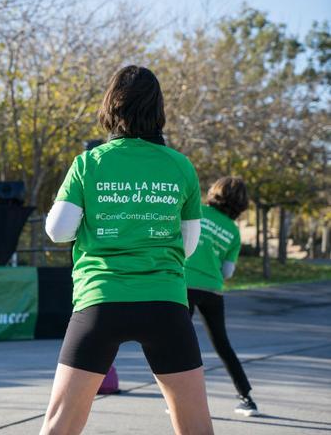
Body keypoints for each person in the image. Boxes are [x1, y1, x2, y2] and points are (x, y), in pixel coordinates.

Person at [42, 65, 214, 435]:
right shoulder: (181, 167)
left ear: (111, 105)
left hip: (99, 300)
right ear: (158, 109)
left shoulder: (89, 163)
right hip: (165, 303)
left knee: (60, 426)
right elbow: (188, 244)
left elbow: (58, 231)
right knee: (196, 427)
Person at [184, 177, 257, 416]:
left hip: (184, 285)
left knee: (180, 342)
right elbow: (227, 271)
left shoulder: (197, 211)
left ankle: (182, 400)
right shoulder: (233, 232)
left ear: (214, 193)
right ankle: (246, 397)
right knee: (222, 344)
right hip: (213, 290)